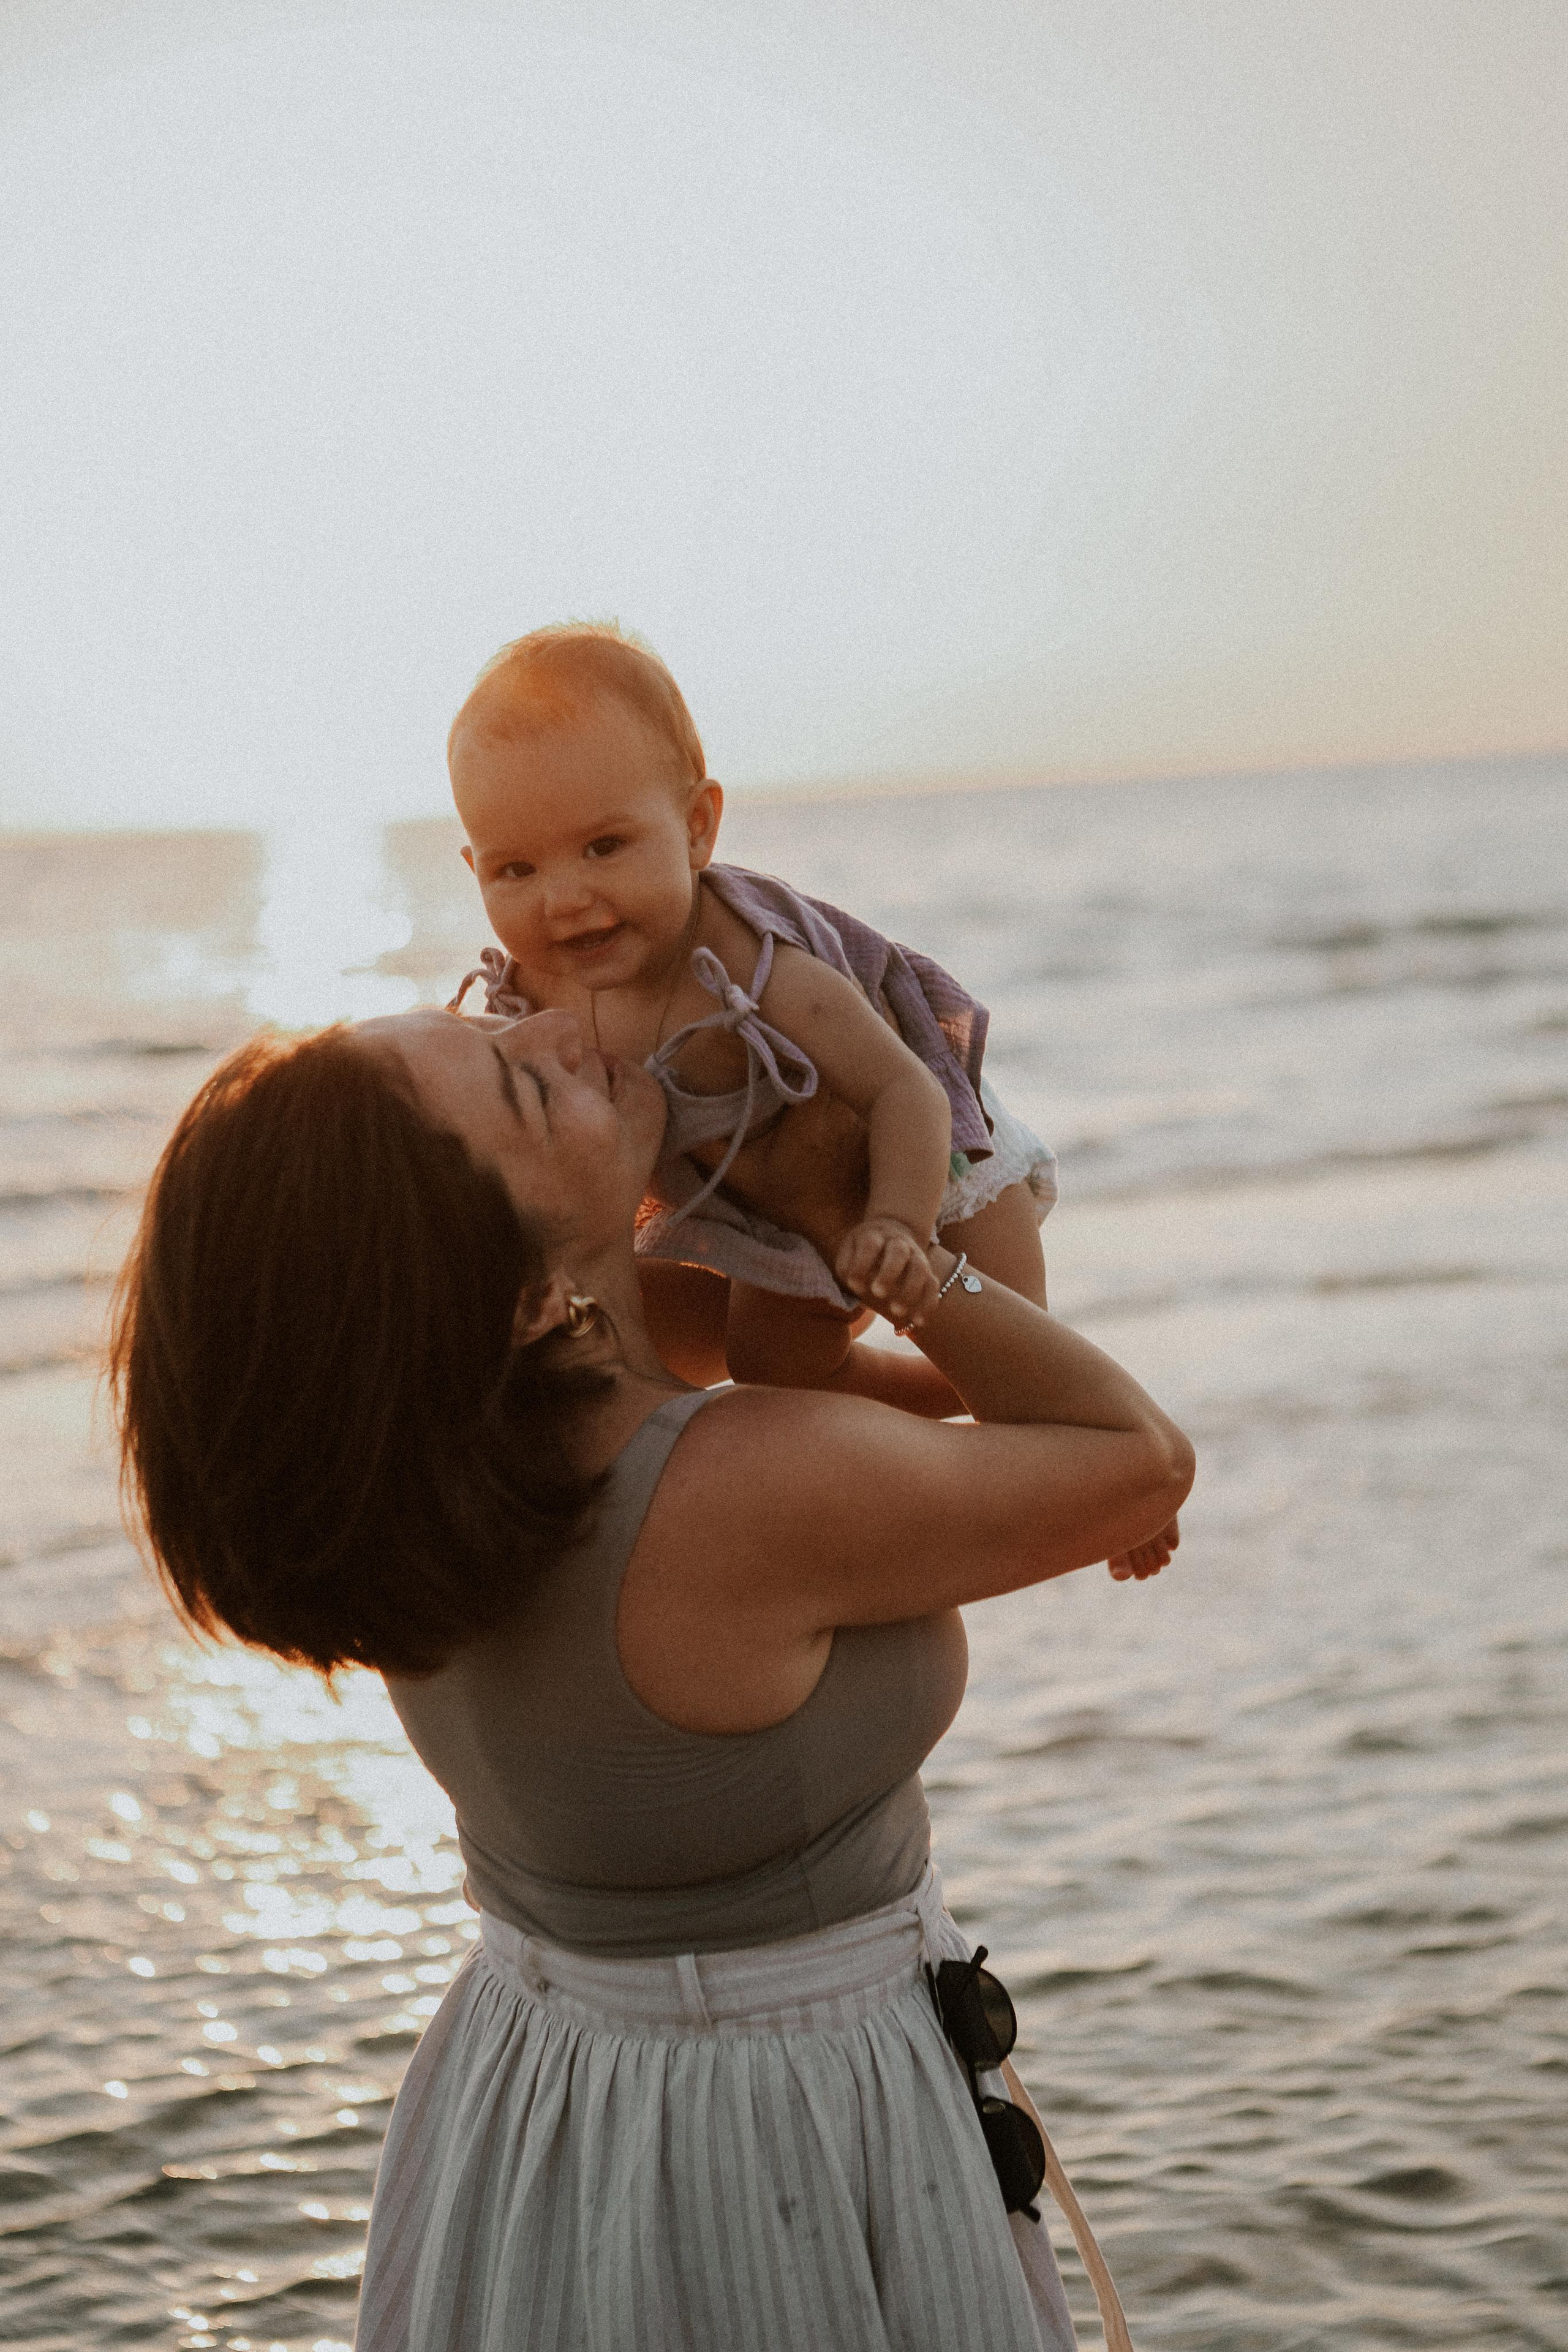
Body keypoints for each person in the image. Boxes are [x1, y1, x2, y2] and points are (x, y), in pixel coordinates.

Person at [111, 1001, 1192, 2352]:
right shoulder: (734, 1488)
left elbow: (859, 1394)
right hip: (779, 2137)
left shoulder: (417, 1468)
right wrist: (906, 1253)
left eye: (488, 1010)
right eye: (522, 1081)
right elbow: (1137, 1459)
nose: (567, 1027)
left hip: (542, 2104)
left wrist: (772, 1224)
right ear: (517, 1299)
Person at [446, 620, 1060, 1415]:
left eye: (604, 846)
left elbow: (905, 1091)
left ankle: (1120, 1473)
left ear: (698, 827)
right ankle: (922, 1430)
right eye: (516, 868)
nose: (563, 899)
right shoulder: (527, 1002)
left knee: (1025, 1364)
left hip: (930, 1158)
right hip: (768, 1207)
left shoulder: (752, 967)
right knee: (772, 1367)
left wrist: (899, 1227)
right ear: (473, 868)